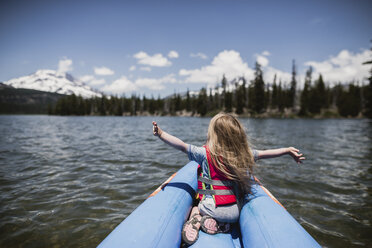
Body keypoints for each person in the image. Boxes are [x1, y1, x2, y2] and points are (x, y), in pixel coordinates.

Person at [152, 113, 305, 245]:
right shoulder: (243, 155)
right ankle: (222, 225)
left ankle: (196, 219)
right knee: (225, 207)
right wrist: (287, 150)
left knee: (196, 207)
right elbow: (267, 153)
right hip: (234, 214)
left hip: (211, 209)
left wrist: (161, 134)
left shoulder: (205, 154)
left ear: (214, 134)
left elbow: (182, 146)